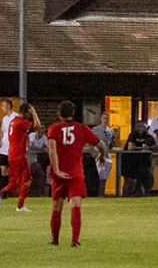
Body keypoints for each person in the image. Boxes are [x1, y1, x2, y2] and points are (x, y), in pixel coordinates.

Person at [47, 100, 106, 247]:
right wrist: (103, 155)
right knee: (76, 206)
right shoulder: (81, 128)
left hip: (59, 174)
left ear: (59, 114)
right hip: (75, 172)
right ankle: (75, 240)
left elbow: (52, 150)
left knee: (57, 207)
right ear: (73, 113)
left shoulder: (53, 129)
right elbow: (100, 144)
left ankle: (55, 241)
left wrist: (57, 169)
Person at [0, 102, 40, 212]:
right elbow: (37, 126)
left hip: (14, 154)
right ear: (26, 113)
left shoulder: (13, 121)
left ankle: (20, 206)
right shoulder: (20, 122)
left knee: (26, 181)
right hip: (18, 156)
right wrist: (34, 112)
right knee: (17, 183)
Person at [123, 122, 155, 196]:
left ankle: (138, 193)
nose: (139, 128)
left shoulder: (148, 137)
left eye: (142, 126)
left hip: (142, 162)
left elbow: (155, 147)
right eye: (138, 126)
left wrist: (149, 148)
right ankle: (125, 195)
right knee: (128, 180)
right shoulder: (133, 135)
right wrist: (141, 148)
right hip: (129, 161)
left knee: (139, 180)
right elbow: (130, 147)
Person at [92, 112, 115, 196]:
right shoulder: (95, 130)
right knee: (101, 174)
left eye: (107, 118)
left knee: (105, 176)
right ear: (101, 118)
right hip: (99, 155)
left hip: (107, 155)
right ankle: (100, 194)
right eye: (104, 118)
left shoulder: (111, 131)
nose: (105, 120)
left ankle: (102, 192)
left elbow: (112, 143)